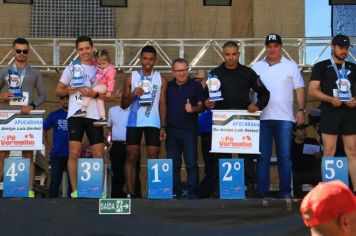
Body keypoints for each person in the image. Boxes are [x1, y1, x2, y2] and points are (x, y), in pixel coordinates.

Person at [204, 41, 270, 198]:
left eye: (234, 54)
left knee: (246, 155)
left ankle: (250, 188)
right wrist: (207, 102)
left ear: (238, 54)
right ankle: (221, 188)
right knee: (221, 155)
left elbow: (265, 93)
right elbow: (206, 98)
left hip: (243, 118)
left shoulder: (248, 73)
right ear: (222, 55)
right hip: (222, 120)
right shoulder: (214, 74)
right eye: (227, 54)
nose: (231, 57)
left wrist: (257, 105)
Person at [252, 33, 306, 198]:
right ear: (266, 48)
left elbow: (300, 89)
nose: (272, 49)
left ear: (281, 47)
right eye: (269, 46)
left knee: (284, 157)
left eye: (275, 46)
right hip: (262, 118)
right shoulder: (256, 67)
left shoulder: (290, 66)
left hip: (284, 119)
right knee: (263, 158)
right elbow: (249, 91)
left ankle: (285, 193)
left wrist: (302, 110)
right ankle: (261, 193)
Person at [55, 35, 106, 198]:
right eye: (81, 49)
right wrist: (69, 89)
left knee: (99, 153)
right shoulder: (72, 67)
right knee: (74, 152)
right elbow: (58, 90)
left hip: (94, 115)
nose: (84, 52)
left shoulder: (101, 67)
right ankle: (75, 191)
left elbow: (108, 93)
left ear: (92, 48)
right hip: (76, 114)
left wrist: (94, 93)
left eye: (87, 48)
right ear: (77, 51)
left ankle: (99, 191)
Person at [308, 34, 356, 192]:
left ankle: (355, 190)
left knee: (352, 150)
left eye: (346, 48)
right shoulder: (321, 66)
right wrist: (330, 99)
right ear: (332, 47)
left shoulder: (353, 67)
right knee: (329, 150)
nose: (344, 51)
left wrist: (354, 100)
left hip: (349, 112)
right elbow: (312, 90)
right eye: (341, 47)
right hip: (330, 111)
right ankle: (327, 191)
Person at [0, 37, 47, 198]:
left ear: (28, 52)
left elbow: (43, 96)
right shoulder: (4, 71)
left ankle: (29, 191)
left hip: (27, 118)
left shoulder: (34, 72)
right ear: (13, 51)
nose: (21, 54)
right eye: (18, 51)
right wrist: (2, 96)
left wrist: (32, 105)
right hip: (7, 117)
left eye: (25, 51)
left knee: (28, 154)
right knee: (2, 154)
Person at [121, 45, 167, 198]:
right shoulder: (131, 77)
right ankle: (131, 193)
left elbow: (162, 103)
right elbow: (123, 104)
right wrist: (133, 94)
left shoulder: (160, 79)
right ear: (140, 59)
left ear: (155, 60)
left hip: (153, 122)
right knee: (132, 156)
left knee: (154, 156)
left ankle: (154, 192)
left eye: (151, 59)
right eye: (145, 58)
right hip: (134, 122)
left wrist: (163, 126)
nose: (148, 62)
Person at [166, 58, 204, 198]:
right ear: (172, 71)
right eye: (178, 71)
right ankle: (174, 193)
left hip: (189, 131)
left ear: (188, 70)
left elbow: (202, 107)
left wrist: (193, 108)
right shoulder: (168, 86)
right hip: (171, 131)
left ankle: (193, 194)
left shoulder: (195, 86)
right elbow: (162, 107)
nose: (181, 73)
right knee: (173, 165)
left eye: (184, 70)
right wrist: (163, 128)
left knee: (191, 164)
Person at [106, 92, 141, 198]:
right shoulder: (112, 110)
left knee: (134, 172)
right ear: (116, 98)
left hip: (133, 145)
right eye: (120, 97)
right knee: (117, 173)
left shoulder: (135, 109)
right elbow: (108, 128)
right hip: (117, 145)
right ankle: (117, 197)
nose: (122, 99)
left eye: (124, 97)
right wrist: (108, 143)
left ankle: (135, 197)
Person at [73, 49, 116, 126]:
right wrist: (94, 51)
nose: (101, 65)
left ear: (109, 61)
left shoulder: (110, 70)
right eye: (99, 64)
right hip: (98, 85)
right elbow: (94, 61)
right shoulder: (98, 66)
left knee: (89, 92)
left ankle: (83, 109)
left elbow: (111, 81)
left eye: (104, 63)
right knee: (99, 101)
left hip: (103, 86)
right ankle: (103, 118)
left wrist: (109, 91)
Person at [43, 95, 70, 198]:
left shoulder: (77, 115)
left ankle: (73, 205)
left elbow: (87, 128)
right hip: (57, 154)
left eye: (67, 99)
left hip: (73, 154)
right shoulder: (54, 115)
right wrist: (47, 144)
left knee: (73, 182)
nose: (65, 101)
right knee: (54, 181)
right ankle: (52, 204)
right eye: (63, 99)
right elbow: (44, 128)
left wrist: (84, 145)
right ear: (60, 101)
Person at [291, 124, 321, 198]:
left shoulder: (312, 141)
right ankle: (299, 200)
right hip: (297, 173)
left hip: (312, 172)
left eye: (304, 129)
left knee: (320, 178)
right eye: (301, 130)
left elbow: (321, 155)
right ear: (294, 132)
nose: (304, 131)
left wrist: (318, 155)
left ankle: (320, 199)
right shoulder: (290, 144)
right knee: (293, 179)